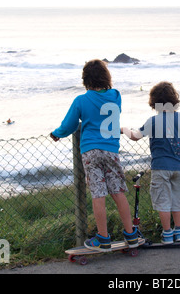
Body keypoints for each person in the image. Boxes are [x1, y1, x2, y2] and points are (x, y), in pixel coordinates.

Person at [50, 59, 138, 251]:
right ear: (106, 77)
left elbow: (69, 125)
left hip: (90, 151)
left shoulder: (81, 100)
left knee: (98, 193)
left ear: (85, 80)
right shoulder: (116, 96)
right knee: (118, 191)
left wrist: (57, 133)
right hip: (111, 150)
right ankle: (131, 234)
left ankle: (103, 237)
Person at [121, 81, 180, 244]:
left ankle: (167, 234)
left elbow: (136, 136)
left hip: (160, 167)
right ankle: (179, 232)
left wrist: (124, 129)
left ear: (154, 102)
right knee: (177, 200)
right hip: (179, 167)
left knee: (163, 200)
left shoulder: (153, 121)